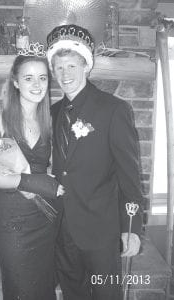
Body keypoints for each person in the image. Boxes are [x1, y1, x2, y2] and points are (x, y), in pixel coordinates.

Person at [47, 24, 143, 300]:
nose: (65, 75)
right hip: (62, 231)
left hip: (101, 231)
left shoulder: (114, 110)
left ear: (86, 66)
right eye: (59, 68)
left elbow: (130, 174)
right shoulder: (51, 114)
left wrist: (132, 227)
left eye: (71, 66)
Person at [0, 45, 63, 300]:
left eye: (42, 77)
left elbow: (50, 168)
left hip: (44, 218)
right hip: (12, 223)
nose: (37, 84)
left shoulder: (49, 120)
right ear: (15, 82)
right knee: (21, 288)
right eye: (28, 78)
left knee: (45, 286)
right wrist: (27, 182)